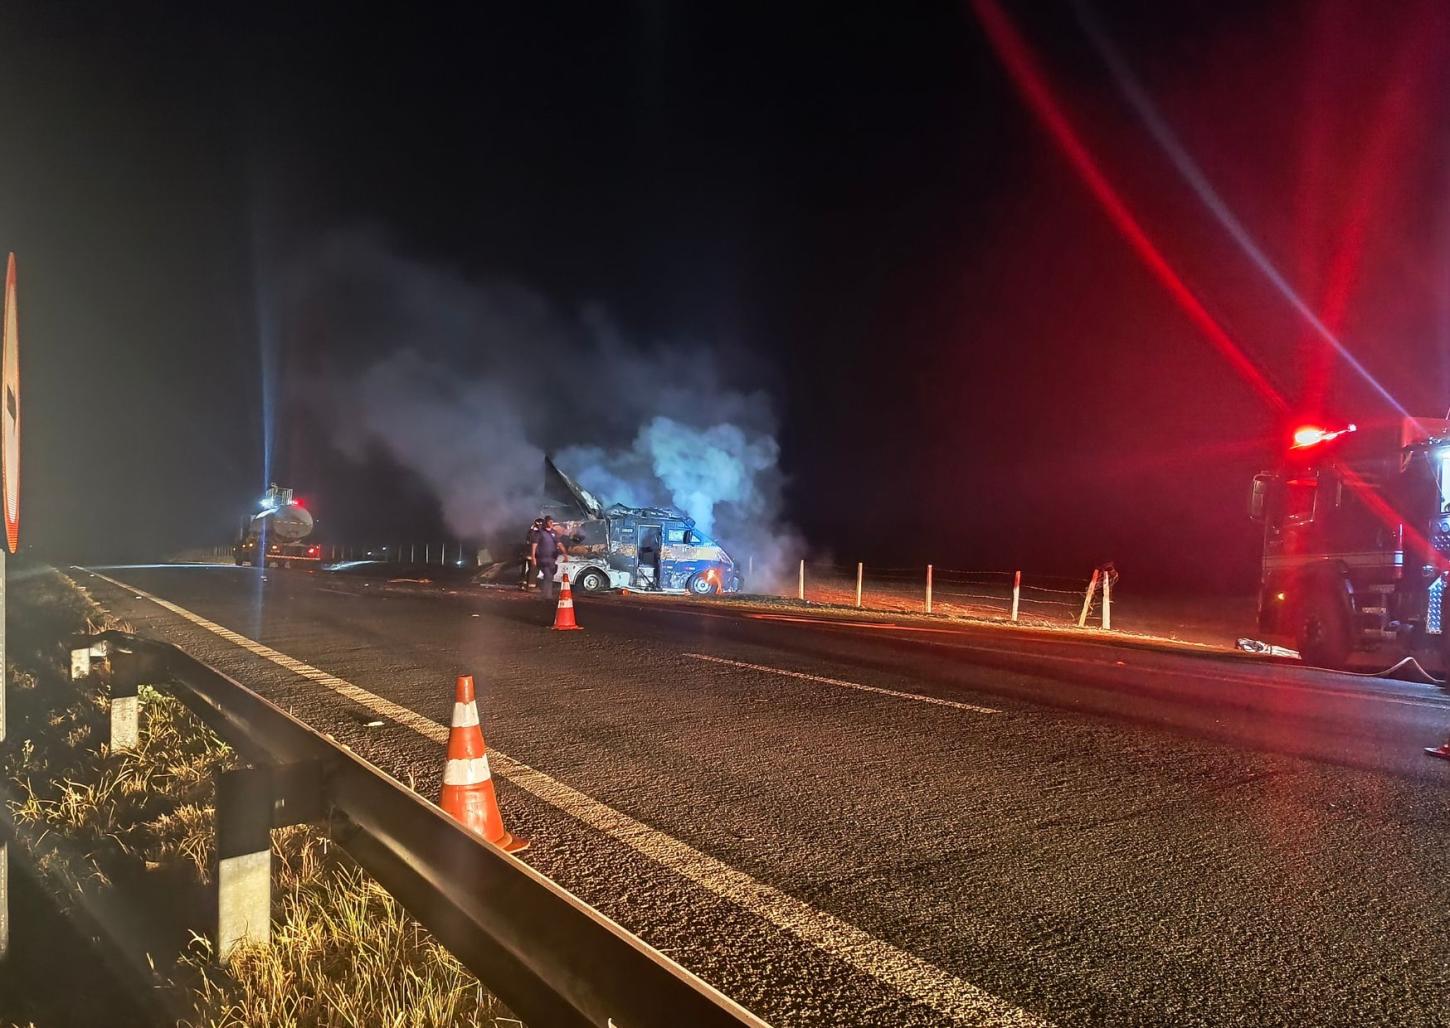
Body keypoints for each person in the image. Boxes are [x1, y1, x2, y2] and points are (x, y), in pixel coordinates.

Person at [531, 515, 568, 600]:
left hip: (551, 559)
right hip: (542, 559)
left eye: (552, 522)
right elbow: (534, 545)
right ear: (545, 522)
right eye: (549, 522)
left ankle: (546, 594)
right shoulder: (539, 533)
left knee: (550, 576)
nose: (551, 524)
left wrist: (565, 554)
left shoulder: (553, 533)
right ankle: (546, 595)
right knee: (547, 575)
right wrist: (533, 557)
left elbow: (559, 544)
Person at [520, 518, 543, 590]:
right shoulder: (536, 532)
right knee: (534, 570)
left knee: (530, 569)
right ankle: (531, 586)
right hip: (532, 554)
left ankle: (524, 585)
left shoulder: (531, 531)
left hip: (527, 553)